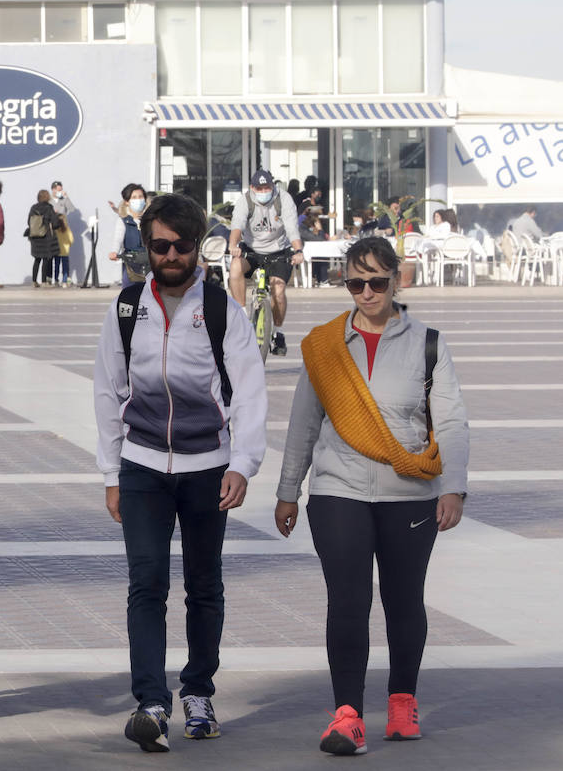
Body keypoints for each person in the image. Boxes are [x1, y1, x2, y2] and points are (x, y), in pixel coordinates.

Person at [275, 236, 468, 757]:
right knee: (348, 600)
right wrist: (288, 490)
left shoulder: (428, 342)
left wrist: (453, 488)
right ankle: (348, 715)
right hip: (339, 488)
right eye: (355, 283)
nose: (365, 293)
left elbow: (449, 420)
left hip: (410, 491)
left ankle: (403, 702)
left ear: (397, 280)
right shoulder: (324, 345)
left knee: (403, 599)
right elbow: (303, 423)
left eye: (376, 282)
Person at [94, 193, 267, 753]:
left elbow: (249, 391)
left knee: (203, 586)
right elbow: (106, 390)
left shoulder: (220, 310)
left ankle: (197, 690)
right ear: (146, 247)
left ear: (198, 249)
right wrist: (110, 472)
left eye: (181, 246)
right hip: (142, 466)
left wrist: (242, 463)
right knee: (145, 585)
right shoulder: (126, 308)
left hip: (207, 470)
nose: (170, 255)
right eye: (160, 245)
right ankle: (150, 703)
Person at [227, 169, 304, 356]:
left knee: (278, 290)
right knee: (235, 267)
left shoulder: (283, 199)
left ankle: (278, 332)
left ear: (273, 186)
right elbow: (237, 225)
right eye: (259, 188)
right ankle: (244, 317)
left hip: (278, 250)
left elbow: (292, 228)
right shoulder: (245, 201)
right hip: (252, 249)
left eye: (267, 187)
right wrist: (233, 245)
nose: (263, 192)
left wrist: (298, 250)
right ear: (252, 187)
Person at [109, 183, 149, 284]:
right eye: (134, 197)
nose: (138, 200)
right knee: (129, 292)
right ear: (127, 202)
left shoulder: (151, 220)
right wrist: (114, 251)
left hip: (149, 263)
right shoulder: (123, 220)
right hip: (131, 263)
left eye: (140, 197)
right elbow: (118, 238)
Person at [27, 189, 59, 286]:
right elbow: (55, 223)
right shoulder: (49, 207)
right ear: (47, 197)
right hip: (46, 236)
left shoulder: (33, 208)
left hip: (35, 237)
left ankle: (34, 281)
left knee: (37, 259)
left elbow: (29, 222)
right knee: (45, 259)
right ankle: (44, 281)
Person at [53, 206, 75, 288]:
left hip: (57, 251)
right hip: (65, 251)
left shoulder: (56, 230)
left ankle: (56, 280)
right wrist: (68, 244)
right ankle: (64, 281)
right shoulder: (67, 229)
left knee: (56, 266)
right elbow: (71, 239)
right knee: (65, 267)